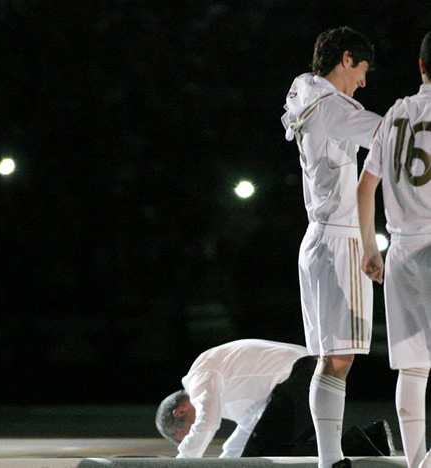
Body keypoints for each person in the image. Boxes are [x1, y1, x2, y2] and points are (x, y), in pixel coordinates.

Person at [281, 26, 382, 468]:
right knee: (338, 358)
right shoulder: (334, 109)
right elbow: (392, 136)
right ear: (345, 59)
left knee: (333, 357)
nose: (363, 81)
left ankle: (330, 459)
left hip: (318, 237)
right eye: (361, 70)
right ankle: (329, 461)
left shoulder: (307, 94)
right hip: (338, 238)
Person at [357, 30, 431, 468]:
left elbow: (366, 188)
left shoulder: (397, 113)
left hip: (402, 252)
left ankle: (416, 462)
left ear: (421, 66)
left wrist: (370, 247)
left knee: (413, 367)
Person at [155, 339, 395, 459]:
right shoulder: (228, 393)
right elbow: (251, 428)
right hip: (308, 377)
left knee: (266, 451)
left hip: (301, 377)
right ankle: (369, 440)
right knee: (268, 452)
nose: (194, 435)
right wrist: (227, 461)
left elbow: (206, 423)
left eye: (186, 435)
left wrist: (183, 462)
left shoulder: (199, 376)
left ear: (180, 411)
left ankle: (364, 443)